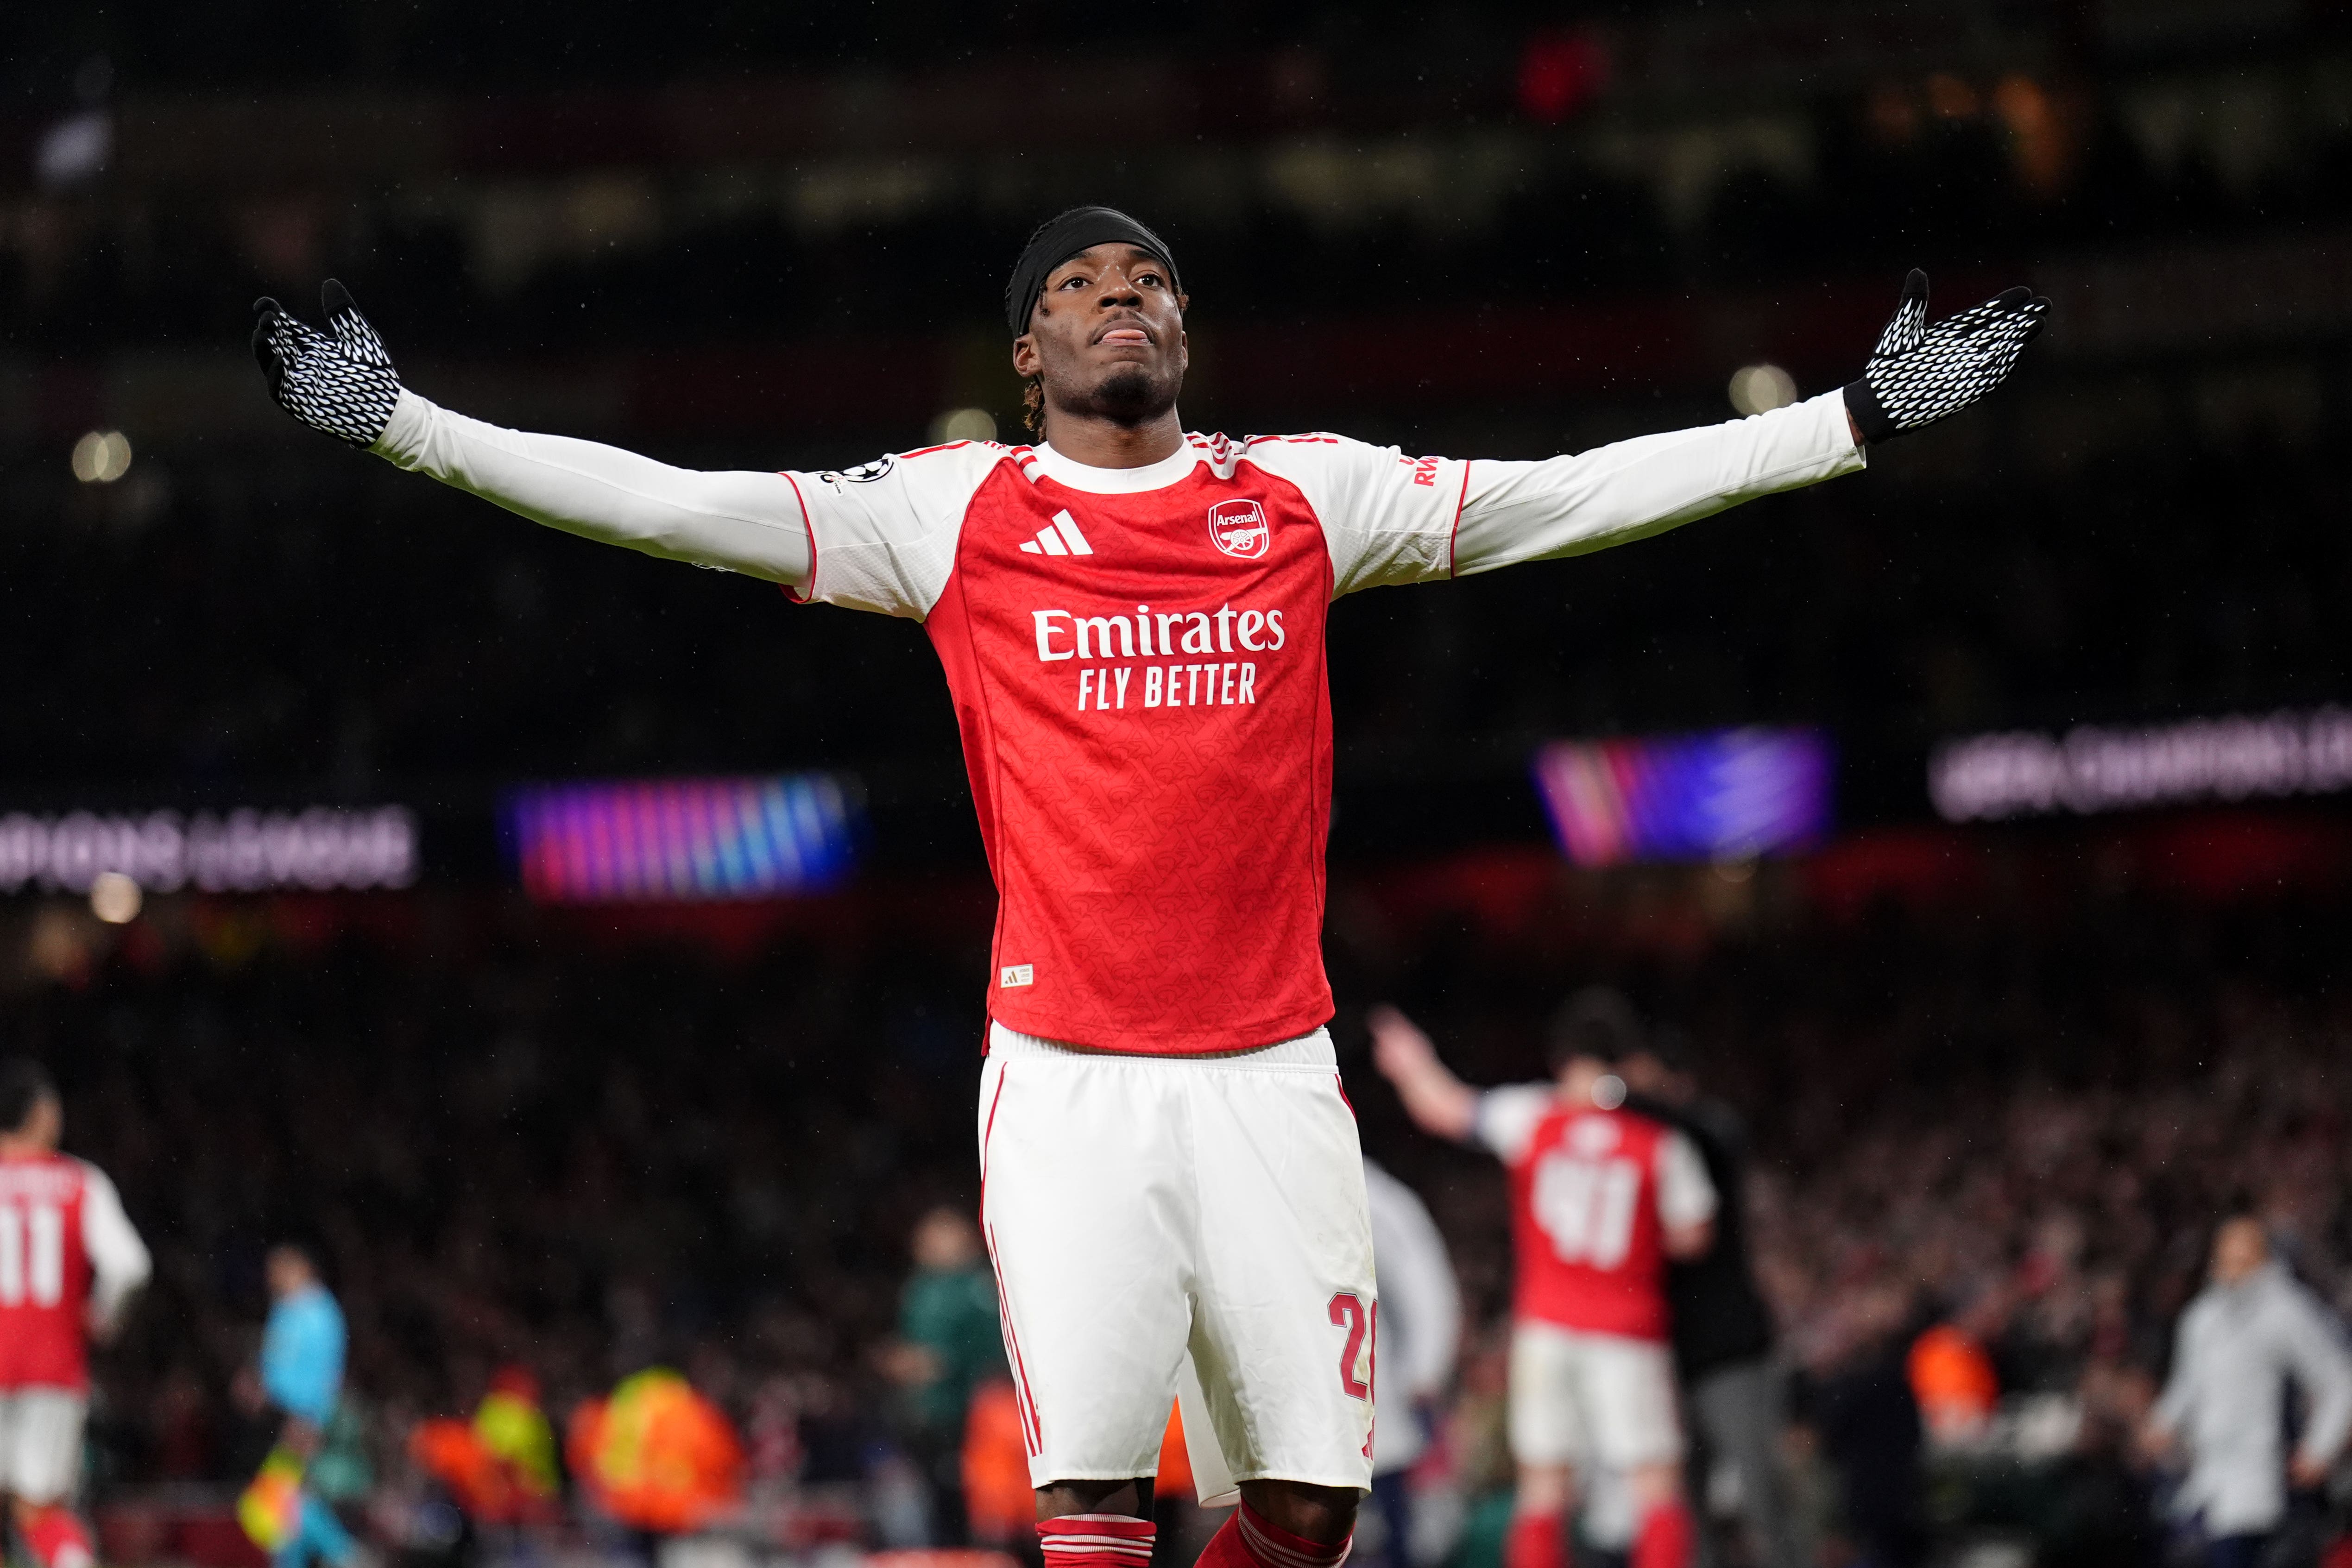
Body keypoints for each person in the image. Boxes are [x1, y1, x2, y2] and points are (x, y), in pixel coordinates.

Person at [249, 208, 2044, 1568]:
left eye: (1151, 281)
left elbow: (1571, 495)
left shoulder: (1309, 497)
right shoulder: (950, 512)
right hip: (1070, 1083)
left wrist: (1852, 417)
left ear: (1187, 331)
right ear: (1027, 352)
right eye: (1082, 285)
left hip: (1273, 1070)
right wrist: (407, 424)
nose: (1124, 297)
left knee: (1312, 1511)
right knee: (1094, 1498)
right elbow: (671, 505)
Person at [1371, 995, 1718, 1568]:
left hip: (1547, 1331)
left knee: (1542, 1490)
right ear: (1627, 1060)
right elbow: (1692, 1234)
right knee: (1653, 1485)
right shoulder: (1657, 1138)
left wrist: (1411, 1061)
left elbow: (1443, 1108)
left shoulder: (1534, 1116)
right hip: (1628, 1331)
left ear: (1561, 1057)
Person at [1615, 1036, 1809, 1568]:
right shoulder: (1638, 1157)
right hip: (1669, 1356)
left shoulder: (1706, 1131)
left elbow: (1704, 1136)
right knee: (1685, 1511)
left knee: (1761, 1493)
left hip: (1731, 1350)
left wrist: (1625, 1096)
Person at [0, 1058, 152, 1568]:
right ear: (42, 1114)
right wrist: (103, 1316)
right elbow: (130, 1266)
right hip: (53, 1368)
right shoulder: (79, 1182)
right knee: (40, 1511)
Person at [2142, 1216, 2352, 1568]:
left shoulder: (2285, 1311)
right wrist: (2163, 1422)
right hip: (2206, 1474)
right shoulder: (2203, 1317)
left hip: (2269, 1477)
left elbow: (2337, 1379)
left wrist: (2319, 1448)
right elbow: (2188, 1383)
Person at [884, 1206, 1009, 1543]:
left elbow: (993, 1350)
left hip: (969, 1415)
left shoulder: (979, 1287)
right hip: (926, 1416)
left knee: (969, 1502)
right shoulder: (919, 1288)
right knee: (931, 1500)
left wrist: (946, 1362)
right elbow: (912, 1345)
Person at [1361, 1160, 1463, 1568]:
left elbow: (1422, 1283)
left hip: (1373, 1398)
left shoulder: (1370, 1192)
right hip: (1299, 1404)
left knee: (1396, 1534)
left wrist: (1424, 1368)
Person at [243, 1244, 361, 1568]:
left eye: (279, 1271)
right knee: (284, 1503)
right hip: (277, 1416)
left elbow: (324, 1371)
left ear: (303, 1269)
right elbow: (277, 1363)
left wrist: (309, 1416)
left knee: (269, 1504)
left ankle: (345, 1553)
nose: (273, 1279)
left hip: (301, 1418)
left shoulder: (319, 1313)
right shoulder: (287, 1309)